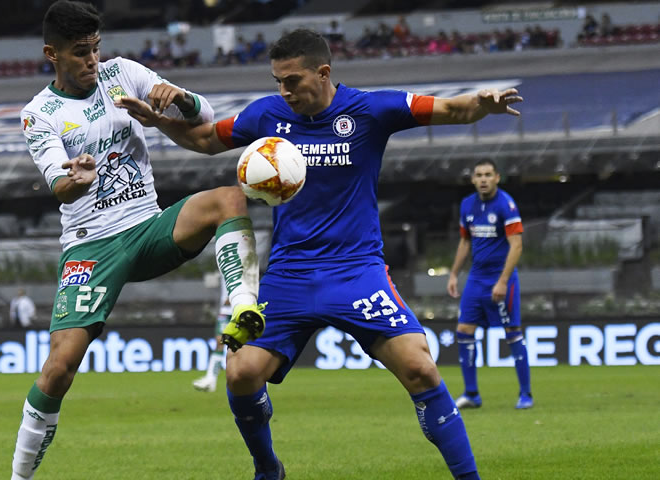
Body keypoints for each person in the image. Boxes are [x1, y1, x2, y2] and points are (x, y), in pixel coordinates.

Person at [118, 28, 522, 480]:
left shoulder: (371, 110)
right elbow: (207, 138)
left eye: (291, 80)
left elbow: (450, 108)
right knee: (241, 373)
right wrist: (161, 123)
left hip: (357, 271)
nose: (283, 91)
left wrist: (482, 104)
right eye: (277, 81)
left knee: (421, 368)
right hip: (290, 273)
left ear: (323, 72)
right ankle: (268, 468)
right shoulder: (266, 115)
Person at [9, 2, 265, 479]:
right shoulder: (38, 114)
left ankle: (244, 307)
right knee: (59, 368)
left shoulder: (121, 73)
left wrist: (177, 99)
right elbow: (57, 184)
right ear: (52, 54)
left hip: (149, 228)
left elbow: (203, 113)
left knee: (229, 197)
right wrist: (78, 178)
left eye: (96, 48)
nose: (92, 60)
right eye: (81, 52)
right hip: (91, 246)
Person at [447, 159, 532, 410]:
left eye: (488, 175)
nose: (483, 179)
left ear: (497, 178)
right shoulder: (467, 205)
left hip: (501, 278)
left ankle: (525, 394)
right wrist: (453, 274)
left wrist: (503, 281)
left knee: (513, 333)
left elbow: (517, 245)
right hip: (476, 278)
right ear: (472, 179)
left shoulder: (506, 204)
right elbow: (465, 242)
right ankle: (472, 394)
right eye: (478, 175)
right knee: (463, 331)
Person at [192, 277, 232, 392]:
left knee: (246, 345)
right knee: (220, 341)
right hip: (225, 310)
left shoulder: (246, 262)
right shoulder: (224, 260)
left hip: (241, 307)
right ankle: (211, 379)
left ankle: (259, 379)